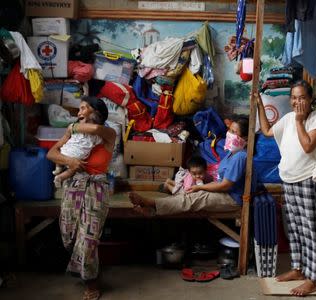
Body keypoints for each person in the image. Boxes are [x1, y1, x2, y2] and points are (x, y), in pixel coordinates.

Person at [256, 80, 316, 296]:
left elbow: (307, 146)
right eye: (294, 98)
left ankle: (312, 278)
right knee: (294, 228)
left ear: (310, 98)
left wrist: (298, 121)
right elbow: (268, 131)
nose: (297, 102)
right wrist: (260, 105)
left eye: (302, 97)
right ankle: (298, 269)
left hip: (308, 179)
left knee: (310, 230)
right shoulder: (287, 118)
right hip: (288, 179)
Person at [47, 96, 116, 300]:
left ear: (96, 112)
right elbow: (51, 153)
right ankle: (91, 268)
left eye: (84, 108)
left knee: (88, 239)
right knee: (68, 236)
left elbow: (94, 130)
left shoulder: (109, 133)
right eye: (79, 108)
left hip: (96, 188)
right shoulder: (74, 133)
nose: (79, 112)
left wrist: (71, 128)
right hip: (73, 185)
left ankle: (91, 283)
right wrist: (70, 161)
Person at [129, 116, 254, 217]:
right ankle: (153, 210)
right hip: (223, 193)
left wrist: (200, 188)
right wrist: (199, 187)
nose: (229, 134)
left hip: (232, 199)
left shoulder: (240, 157)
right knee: (189, 193)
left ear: (246, 139)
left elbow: (225, 185)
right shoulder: (231, 154)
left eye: (234, 132)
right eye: (229, 130)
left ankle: (150, 203)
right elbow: (219, 182)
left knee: (194, 199)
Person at [53, 114, 102, 188]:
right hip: (76, 157)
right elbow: (100, 142)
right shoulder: (95, 136)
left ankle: (58, 167)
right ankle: (60, 177)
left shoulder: (76, 131)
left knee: (59, 153)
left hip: (64, 151)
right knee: (71, 171)